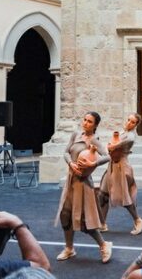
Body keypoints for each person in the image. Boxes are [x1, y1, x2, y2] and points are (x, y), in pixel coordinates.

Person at [55, 112, 112, 263]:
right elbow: (66, 152)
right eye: (85, 120)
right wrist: (71, 163)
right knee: (65, 215)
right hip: (71, 180)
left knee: (86, 220)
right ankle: (69, 248)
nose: (85, 123)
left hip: (83, 182)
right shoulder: (76, 135)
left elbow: (108, 156)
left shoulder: (94, 140)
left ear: (95, 125)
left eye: (89, 121)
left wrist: (94, 163)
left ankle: (104, 245)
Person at [98, 112, 142, 235]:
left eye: (133, 122)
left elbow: (113, 146)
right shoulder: (122, 133)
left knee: (124, 197)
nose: (129, 123)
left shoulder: (130, 136)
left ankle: (138, 220)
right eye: (128, 120)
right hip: (113, 166)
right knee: (103, 194)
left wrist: (109, 146)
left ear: (136, 125)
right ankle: (102, 224)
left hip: (121, 167)